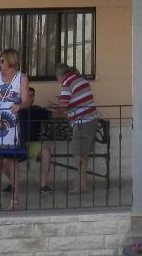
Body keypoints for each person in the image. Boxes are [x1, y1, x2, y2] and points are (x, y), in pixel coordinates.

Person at [0, 48, 29, 210]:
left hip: (11, 122)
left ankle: (15, 198)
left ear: (10, 60)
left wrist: (19, 105)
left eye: (2, 60)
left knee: (11, 161)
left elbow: (26, 100)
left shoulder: (21, 78)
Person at [56, 64, 99, 193]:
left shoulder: (66, 83)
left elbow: (63, 107)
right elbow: (76, 100)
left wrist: (56, 110)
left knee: (77, 153)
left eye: (57, 77)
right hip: (91, 119)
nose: (58, 80)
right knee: (83, 153)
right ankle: (81, 182)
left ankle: (82, 184)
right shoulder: (81, 79)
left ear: (60, 74)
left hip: (81, 122)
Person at [19, 87, 55, 195]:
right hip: (17, 144)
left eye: (33, 95)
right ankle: (13, 183)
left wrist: (62, 110)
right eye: (29, 95)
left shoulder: (37, 110)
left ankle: (43, 186)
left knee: (46, 152)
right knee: (2, 156)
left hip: (33, 144)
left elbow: (53, 115)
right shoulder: (15, 110)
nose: (31, 98)